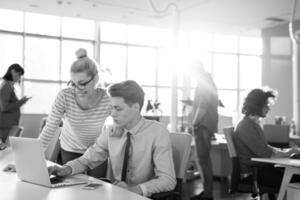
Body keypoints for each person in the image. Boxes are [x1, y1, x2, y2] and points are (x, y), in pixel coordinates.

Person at [48, 80, 176, 197]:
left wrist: (135, 189)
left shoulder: (157, 132)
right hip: (117, 195)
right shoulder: (111, 131)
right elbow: (87, 160)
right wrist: (65, 169)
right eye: (111, 107)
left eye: (118, 108)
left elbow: (168, 180)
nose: (112, 113)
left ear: (136, 108)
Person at [38, 49, 111, 178]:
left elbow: (121, 120)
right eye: (73, 84)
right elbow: (50, 128)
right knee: (73, 188)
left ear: (96, 79)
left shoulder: (107, 98)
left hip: (96, 150)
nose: (77, 89)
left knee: (97, 187)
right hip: (70, 148)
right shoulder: (65, 96)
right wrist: (32, 157)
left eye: (82, 84)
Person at [233, 88, 300, 192]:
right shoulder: (245, 126)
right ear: (257, 105)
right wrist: (287, 153)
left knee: (293, 174)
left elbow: (265, 148)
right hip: (254, 174)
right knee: (295, 178)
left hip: (261, 169)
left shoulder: (254, 123)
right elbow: (264, 152)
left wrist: (286, 152)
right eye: (266, 105)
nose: (269, 109)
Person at [190, 61, 218, 200]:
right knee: (203, 160)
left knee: (203, 160)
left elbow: (203, 105)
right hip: (206, 125)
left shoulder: (203, 81)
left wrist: (194, 122)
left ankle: (208, 194)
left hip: (203, 125)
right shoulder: (207, 80)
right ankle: (207, 191)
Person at [0, 64, 31, 150]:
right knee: (5, 151)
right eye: (19, 74)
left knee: (6, 150)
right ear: (13, 71)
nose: (19, 78)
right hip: (6, 126)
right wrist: (21, 102)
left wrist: (20, 102)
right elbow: (4, 107)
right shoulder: (6, 86)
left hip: (8, 124)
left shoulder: (8, 85)